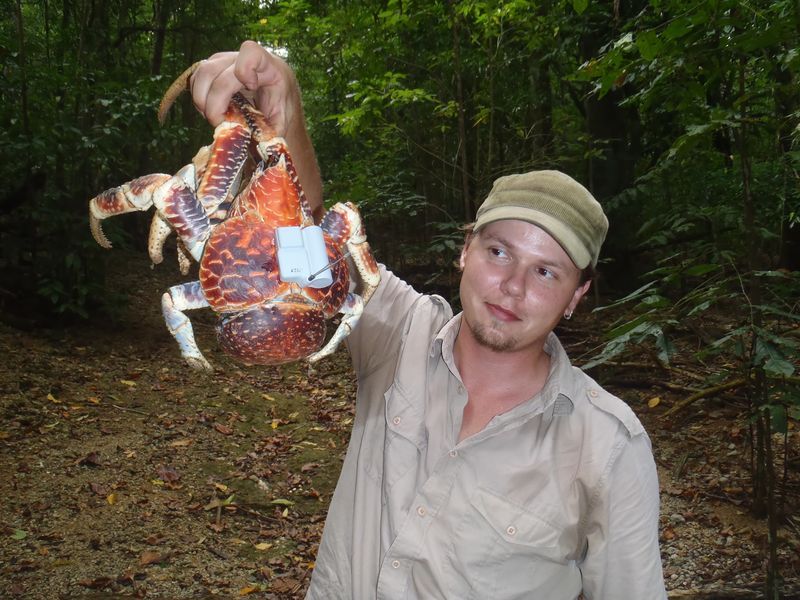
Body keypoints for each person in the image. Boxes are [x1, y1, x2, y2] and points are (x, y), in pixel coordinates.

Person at [190, 41, 667, 600]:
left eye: (546, 272)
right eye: (498, 252)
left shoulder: (607, 443)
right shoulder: (399, 334)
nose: (513, 285)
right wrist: (284, 112)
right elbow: (302, 240)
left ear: (577, 296)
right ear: (465, 250)